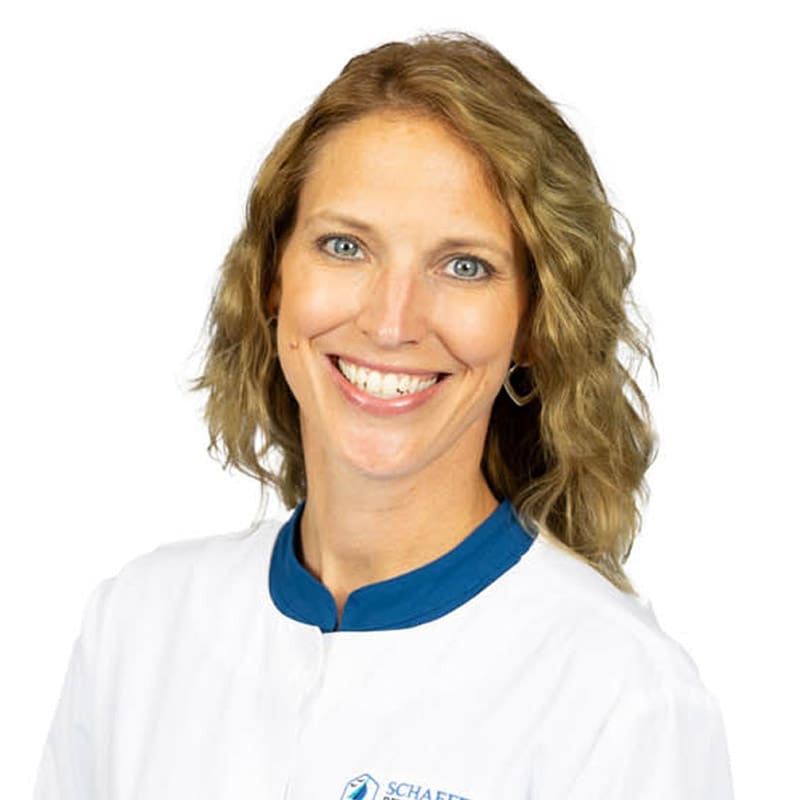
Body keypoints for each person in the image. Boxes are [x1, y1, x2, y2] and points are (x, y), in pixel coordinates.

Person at [35, 30, 734, 799]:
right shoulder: (136, 629)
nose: (392, 321)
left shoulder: (620, 698)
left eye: (463, 265)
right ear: (273, 278)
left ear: (535, 323)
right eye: (344, 246)